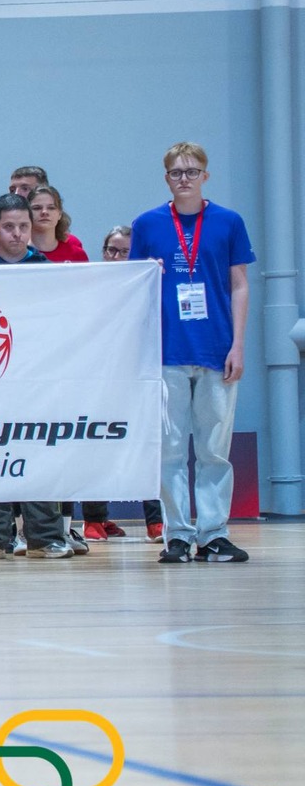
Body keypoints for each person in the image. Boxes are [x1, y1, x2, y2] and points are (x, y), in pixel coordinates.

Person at [131, 142, 253, 565]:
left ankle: (214, 534)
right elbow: (135, 286)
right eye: (176, 172)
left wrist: (238, 344)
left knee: (214, 450)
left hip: (217, 349)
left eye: (192, 171)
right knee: (169, 450)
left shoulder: (228, 222)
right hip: (168, 350)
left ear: (206, 175)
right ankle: (178, 536)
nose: (184, 178)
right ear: (166, 177)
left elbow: (239, 285)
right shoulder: (147, 224)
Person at [0, 194, 70, 559]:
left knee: (40, 453)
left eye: (23, 226)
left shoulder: (46, 270)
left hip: (36, 379)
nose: (17, 234)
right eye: (9, 227)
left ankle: (46, 535)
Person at [81, 224, 140, 541]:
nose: (116, 256)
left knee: (146, 444)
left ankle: (156, 521)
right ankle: (94, 518)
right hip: (97, 374)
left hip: (136, 373)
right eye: (111, 250)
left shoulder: (145, 284)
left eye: (124, 252)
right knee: (94, 446)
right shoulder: (93, 284)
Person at [28, 186, 88, 262]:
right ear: (27, 213)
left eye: (51, 208)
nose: (44, 212)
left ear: (59, 214)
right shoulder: (18, 253)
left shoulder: (77, 254)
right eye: (37, 208)